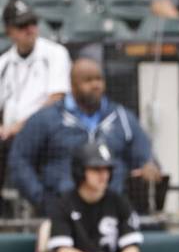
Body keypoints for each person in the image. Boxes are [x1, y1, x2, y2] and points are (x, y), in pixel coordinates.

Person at [9, 55, 160, 216]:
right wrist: (42, 199)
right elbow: (19, 160)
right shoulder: (47, 118)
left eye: (99, 79)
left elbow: (146, 156)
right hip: (63, 210)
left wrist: (149, 166)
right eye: (88, 80)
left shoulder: (122, 117)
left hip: (113, 210)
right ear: (72, 86)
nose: (96, 85)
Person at [0, 0, 70, 204]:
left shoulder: (55, 53)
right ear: (10, 31)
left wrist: (17, 127)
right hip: (9, 136)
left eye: (33, 23)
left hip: (47, 132)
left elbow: (57, 98)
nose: (30, 29)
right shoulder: (3, 63)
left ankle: (44, 207)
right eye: (22, 25)